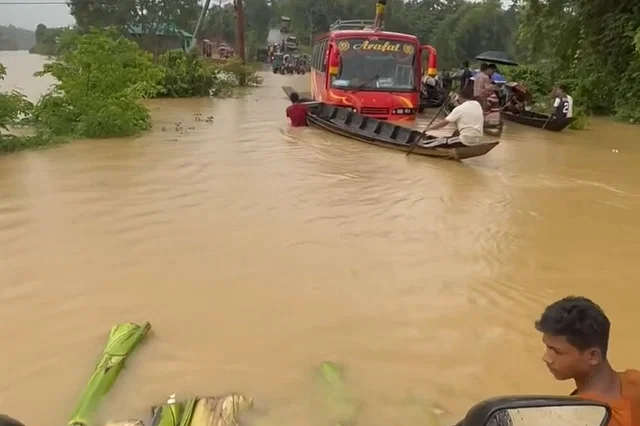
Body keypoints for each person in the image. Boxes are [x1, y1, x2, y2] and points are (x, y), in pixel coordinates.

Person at [535, 296, 640, 426]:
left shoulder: (576, 418)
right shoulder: (635, 380)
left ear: (593, 356)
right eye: (547, 347)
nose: (547, 358)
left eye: (557, 351)